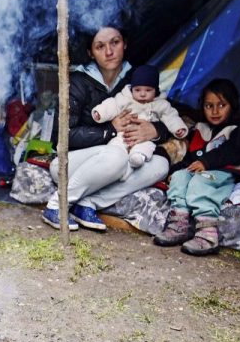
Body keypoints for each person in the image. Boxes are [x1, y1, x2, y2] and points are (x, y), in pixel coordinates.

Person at [42, 26, 172, 231]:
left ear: (125, 44)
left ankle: (88, 203)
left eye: (115, 42)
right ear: (90, 53)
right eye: (100, 46)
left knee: (160, 165)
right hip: (73, 165)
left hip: (119, 163)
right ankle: (58, 205)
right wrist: (110, 130)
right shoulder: (77, 82)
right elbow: (61, 137)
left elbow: (168, 113)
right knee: (116, 157)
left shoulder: (137, 79)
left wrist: (155, 130)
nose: (109, 51)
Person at [153, 78, 240, 255]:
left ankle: (207, 234)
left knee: (201, 182)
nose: (215, 111)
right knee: (180, 177)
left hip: (225, 170)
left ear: (233, 105)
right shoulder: (200, 129)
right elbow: (191, 156)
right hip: (201, 168)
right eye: (209, 106)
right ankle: (179, 225)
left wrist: (206, 163)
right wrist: (178, 170)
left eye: (221, 105)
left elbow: (234, 151)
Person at [92, 64, 187, 176]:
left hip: (145, 138)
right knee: (116, 146)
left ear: (156, 91)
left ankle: (137, 158)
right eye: (137, 90)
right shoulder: (125, 98)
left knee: (147, 147)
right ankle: (111, 161)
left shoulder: (161, 104)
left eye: (148, 90)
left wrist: (178, 128)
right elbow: (113, 105)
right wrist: (100, 113)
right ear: (131, 89)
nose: (142, 94)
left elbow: (171, 116)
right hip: (124, 134)